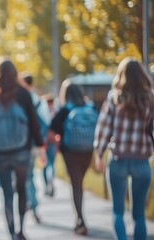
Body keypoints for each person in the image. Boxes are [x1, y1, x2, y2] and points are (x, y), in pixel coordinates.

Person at [0, 57, 45, 240]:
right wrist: (39, 146)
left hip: (0, 154)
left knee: (7, 194)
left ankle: (11, 233)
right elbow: (33, 122)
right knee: (23, 190)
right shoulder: (23, 94)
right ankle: (22, 229)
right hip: (21, 152)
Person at [94, 58, 154, 240]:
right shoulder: (151, 98)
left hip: (118, 160)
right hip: (142, 161)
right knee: (139, 215)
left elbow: (103, 128)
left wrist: (99, 154)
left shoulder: (114, 97)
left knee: (118, 212)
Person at [49, 79, 94, 235]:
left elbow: (51, 131)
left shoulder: (65, 110)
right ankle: (80, 219)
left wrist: (58, 143)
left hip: (71, 152)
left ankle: (80, 220)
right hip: (88, 151)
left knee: (76, 186)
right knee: (79, 183)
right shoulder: (91, 107)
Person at [20, 74, 50, 223]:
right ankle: (33, 205)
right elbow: (46, 122)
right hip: (33, 144)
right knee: (30, 176)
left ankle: (26, 202)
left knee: (22, 177)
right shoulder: (39, 101)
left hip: (20, 145)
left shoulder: (18, 99)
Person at [43, 93, 58, 197]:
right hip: (52, 141)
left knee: (45, 163)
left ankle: (46, 184)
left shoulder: (42, 112)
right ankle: (51, 179)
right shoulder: (55, 112)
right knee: (51, 163)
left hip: (43, 141)